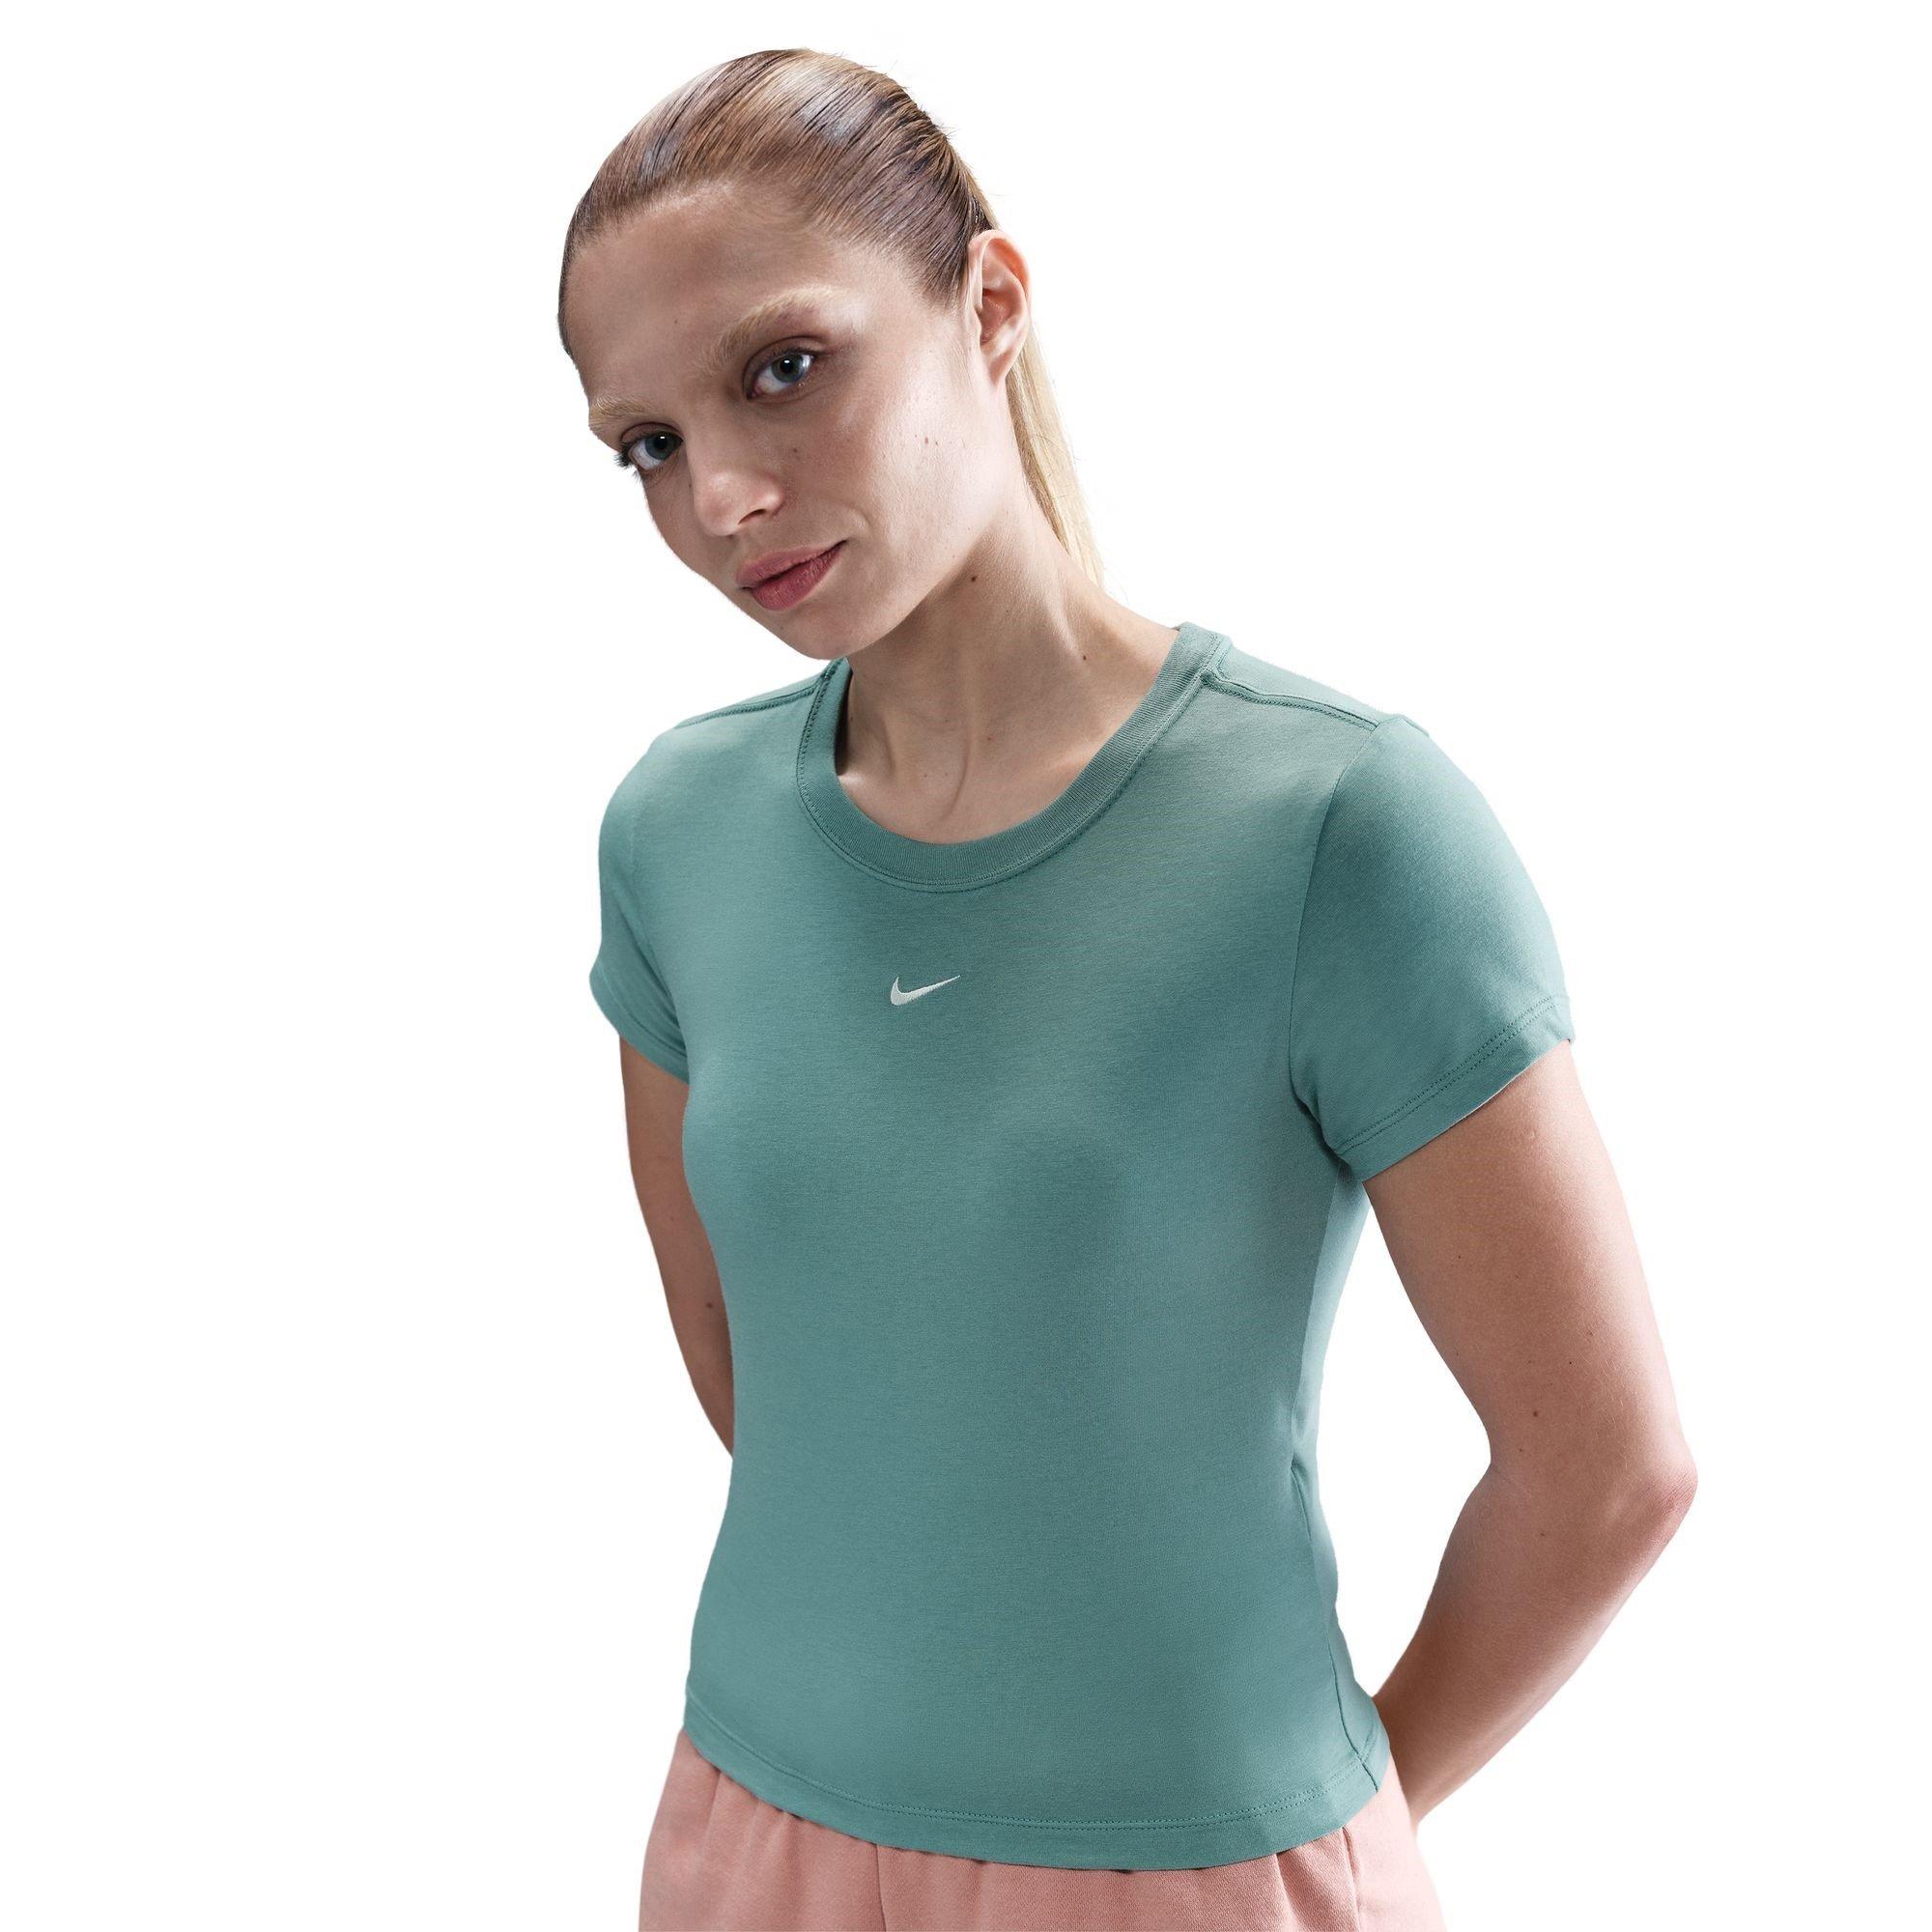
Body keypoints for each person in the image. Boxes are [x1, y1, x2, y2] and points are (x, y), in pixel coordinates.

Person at [558, 48, 1697, 1932]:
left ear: (989, 305)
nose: (726, 494)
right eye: (648, 445)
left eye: (785, 366)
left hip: (1186, 1868)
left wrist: (1313, 1834)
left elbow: (1608, 1470)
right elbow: (778, 1377)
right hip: (744, 1835)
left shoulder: (1336, 824)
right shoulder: (676, 831)